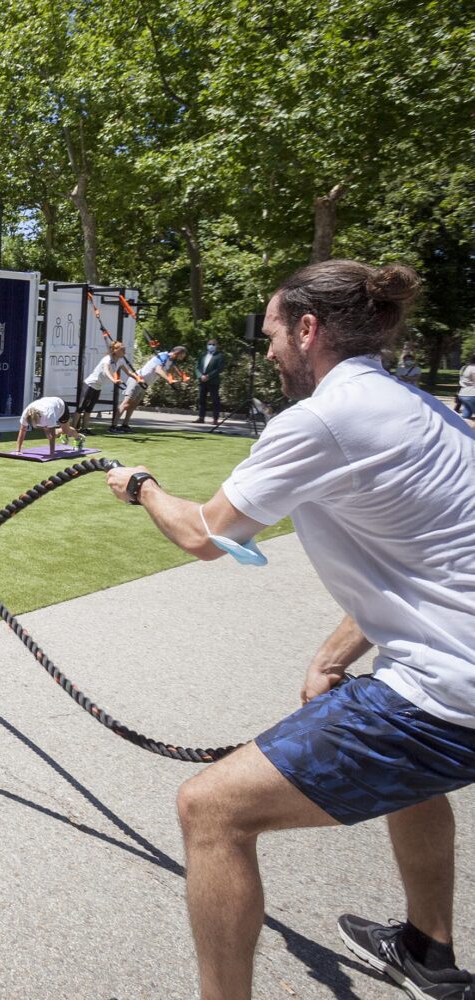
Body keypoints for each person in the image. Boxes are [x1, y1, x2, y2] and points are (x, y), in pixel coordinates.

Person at [104, 260, 475, 1000]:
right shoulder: (422, 410)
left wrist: (141, 487)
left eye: (273, 333)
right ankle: (427, 952)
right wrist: (334, 656)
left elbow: (205, 533)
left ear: (308, 329)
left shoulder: (326, 417)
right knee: (411, 781)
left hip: (448, 696)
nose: (269, 351)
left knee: (211, 810)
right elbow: (423, 565)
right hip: (455, 679)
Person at [116, 345, 188, 432]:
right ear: (177, 353)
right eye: (182, 355)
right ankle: (113, 426)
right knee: (126, 403)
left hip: (145, 383)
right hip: (138, 379)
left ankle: (125, 425)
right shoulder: (163, 356)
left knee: (133, 405)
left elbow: (173, 368)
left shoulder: (170, 360)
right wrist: (169, 380)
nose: (182, 358)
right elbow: (158, 370)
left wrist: (182, 376)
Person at [79, 339, 129, 431]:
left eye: (124, 349)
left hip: (98, 386)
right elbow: (106, 371)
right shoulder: (107, 359)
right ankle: (72, 430)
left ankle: (84, 429)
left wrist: (138, 378)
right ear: (115, 350)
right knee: (80, 408)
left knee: (89, 409)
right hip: (90, 384)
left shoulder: (120, 361)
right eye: (122, 349)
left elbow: (128, 372)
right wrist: (114, 380)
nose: (124, 351)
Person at [14, 395, 85, 456]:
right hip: (48, 404)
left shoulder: (48, 415)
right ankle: (63, 433)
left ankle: (79, 438)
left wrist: (52, 453)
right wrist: (18, 450)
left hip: (61, 406)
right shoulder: (26, 414)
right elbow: (23, 430)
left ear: (39, 417)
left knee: (65, 430)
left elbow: (52, 435)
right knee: (49, 434)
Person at [194, 337, 229, 423]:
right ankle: (201, 417)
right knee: (201, 400)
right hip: (202, 381)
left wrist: (208, 376)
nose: (211, 346)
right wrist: (200, 376)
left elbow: (219, 369)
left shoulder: (219, 356)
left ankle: (215, 419)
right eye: (209, 344)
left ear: (217, 346)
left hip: (213, 381)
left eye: (213, 344)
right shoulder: (202, 355)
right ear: (207, 345)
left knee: (215, 400)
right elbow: (197, 367)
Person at [457, 353, 475, 425]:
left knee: (466, 416)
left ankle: (461, 428)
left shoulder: (464, 367)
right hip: (472, 394)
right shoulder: (474, 368)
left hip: (463, 393)